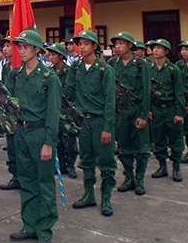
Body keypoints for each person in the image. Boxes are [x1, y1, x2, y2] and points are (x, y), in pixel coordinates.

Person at [6, 31, 60, 243]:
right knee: (26, 180)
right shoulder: (16, 75)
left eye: (27, 46)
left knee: (44, 183)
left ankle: (44, 230)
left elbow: (53, 113)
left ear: (38, 50)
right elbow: (7, 102)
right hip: (20, 133)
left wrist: (49, 142)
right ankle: (29, 225)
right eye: (20, 46)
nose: (22, 50)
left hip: (40, 135)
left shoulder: (49, 78)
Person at [65, 30, 117, 217]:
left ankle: (106, 198)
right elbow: (68, 92)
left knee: (106, 162)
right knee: (86, 161)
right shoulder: (75, 67)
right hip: (83, 122)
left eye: (87, 43)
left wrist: (108, 128)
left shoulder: (105, 70)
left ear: (95, 46)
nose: (83, 46)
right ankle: (89, 194)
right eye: (81, 43)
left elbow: (110, 102)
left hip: (100, 121)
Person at [108, 32, 151, 196]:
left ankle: (139, 179)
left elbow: (146, 91)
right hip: (120, 112)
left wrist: (143, 114)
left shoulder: (141, 64)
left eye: (120, 43)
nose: (117, 47)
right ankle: (128, 177)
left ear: (130, 45)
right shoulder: (112, 63)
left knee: (141, 147)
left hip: (136, 109)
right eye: (115, 44)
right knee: (124, 146)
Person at [148, 39, 185, 182]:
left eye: (159, 48)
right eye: (154, 48)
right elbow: (147, 91)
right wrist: (148, 109)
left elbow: (179, 92)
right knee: (158, 138)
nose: (155, 50)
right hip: (156, 109)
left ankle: (176, 168)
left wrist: (179, 113)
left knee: (175, 139)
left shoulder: (173, 70)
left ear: (166, 51)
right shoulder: (149, 68)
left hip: (170, 109)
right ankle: (162, 166)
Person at [46, 42, 78, 179]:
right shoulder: (50, 72)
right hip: (55, 109)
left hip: (67, 109)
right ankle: (61, 165)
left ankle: (71, 165)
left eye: (53, 54)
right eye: (50, 54)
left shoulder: (69, 71)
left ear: (61, 56)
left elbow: (71, 90)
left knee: (70, 140)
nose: (50, 57)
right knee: (57, 138)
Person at [0, 35, 20, 191]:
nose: (4, 49)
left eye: (8, 46)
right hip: (10, 113)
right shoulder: (6, 67)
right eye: (4, 46)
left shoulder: (23, 67)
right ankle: (16, 176)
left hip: (24, 115)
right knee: (12, 147)